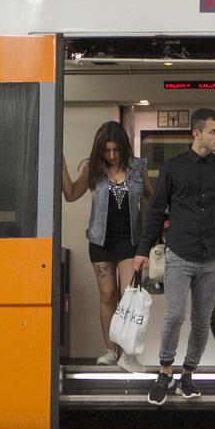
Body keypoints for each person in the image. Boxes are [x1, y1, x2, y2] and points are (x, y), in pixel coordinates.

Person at [134, 108, 215, 404]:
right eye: (214, 132)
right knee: (175, 316)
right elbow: (156, 211)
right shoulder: (172, 168)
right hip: (179, 253)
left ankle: (188, 374)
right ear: (197, 134)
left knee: (202, 320)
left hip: (211, 255)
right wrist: (143, 250)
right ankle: (165, 371)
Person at [63, 120, 152, 373]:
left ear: (123, 147)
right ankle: (110, 350)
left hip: (129, 240)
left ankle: (129, 354)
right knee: (107, 296)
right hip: (100, 240)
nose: (112, 156)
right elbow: (70, 194)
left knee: (129, 297)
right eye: (106, 151)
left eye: (116, 150)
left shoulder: (138, 167)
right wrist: (58, 159)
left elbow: (152, 198)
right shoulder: (93, 168)